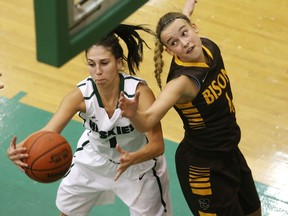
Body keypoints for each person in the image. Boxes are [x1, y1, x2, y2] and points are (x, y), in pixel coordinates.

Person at [7, 24, 172, 216]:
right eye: (91, 64)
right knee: (67, 212)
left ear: (119, 63)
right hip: (94, 160)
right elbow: (48, 132)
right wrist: (20, 151)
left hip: (138, 166)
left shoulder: (139, 93)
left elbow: (158, 146)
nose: (97, 71)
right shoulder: (79, 96)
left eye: (104, 63)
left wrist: (133, 158)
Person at [119, 0, 262, 215]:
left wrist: (188, 6)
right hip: (204, 169)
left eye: (185, 33)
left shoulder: (208, 47)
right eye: (174, 43)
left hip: (230, 153)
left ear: (194, 27)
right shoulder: (182, 83)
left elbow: (182, 21)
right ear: (168, 51)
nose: (184, 43)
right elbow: (148, 120)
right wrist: (133, 114)